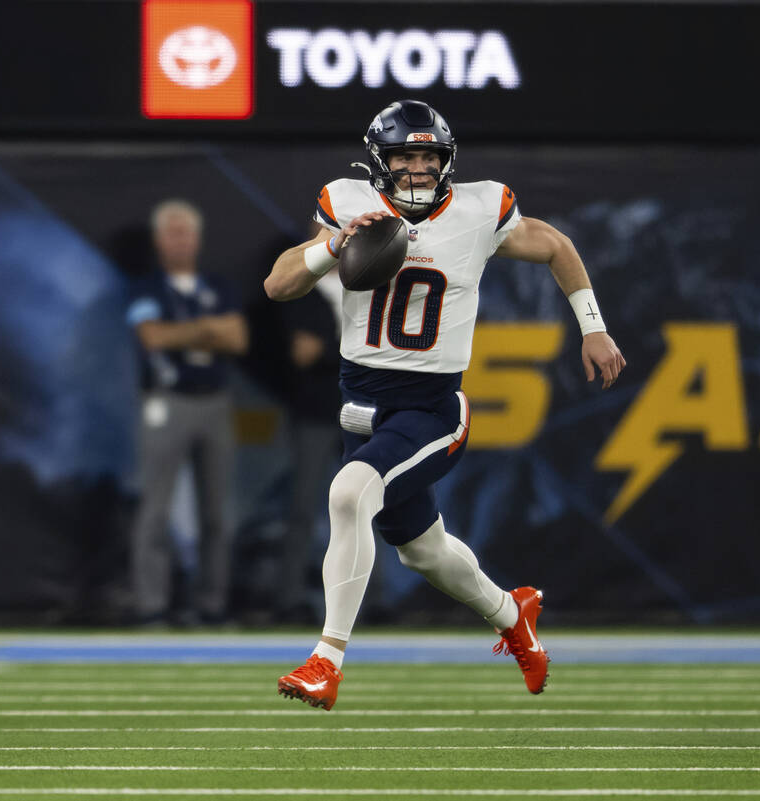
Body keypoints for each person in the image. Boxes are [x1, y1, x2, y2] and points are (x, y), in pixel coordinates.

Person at [264, 100, 625, 709]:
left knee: (349, 492)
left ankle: (326, 661)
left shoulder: (480, 209)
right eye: (405, 156)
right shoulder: (348, 202)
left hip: (431, 409)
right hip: (361, 404)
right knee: (423, 550)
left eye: (428, 157)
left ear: (446, 160)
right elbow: (278, 285)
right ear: (381, 161)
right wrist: (333, 248)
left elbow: (557, 246)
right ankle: (514, 616)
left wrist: (594, 326)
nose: (417, 169)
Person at [126, 199, 248, 626]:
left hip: (214, 401)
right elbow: (152, 337)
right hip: (167, 400)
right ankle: (151, 605)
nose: (180, 241)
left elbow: (236, 340)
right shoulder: (146, 288)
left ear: (197, 239)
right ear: (159, 240)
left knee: (218, 512)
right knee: (155, 507)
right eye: (172, 233)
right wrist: (207, 328)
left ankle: (212, 605)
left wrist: (186, 333)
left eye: (187, 233)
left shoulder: (218, 284)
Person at [274, 284, 345, 624]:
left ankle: (370, 602)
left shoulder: (374, 276)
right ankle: (289, 599)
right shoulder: (304, 286)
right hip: (316, 411)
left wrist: (327, 347)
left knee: (370, 510)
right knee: (301, 508)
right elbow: (303, 353)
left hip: (362, 409)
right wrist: (349, 348)